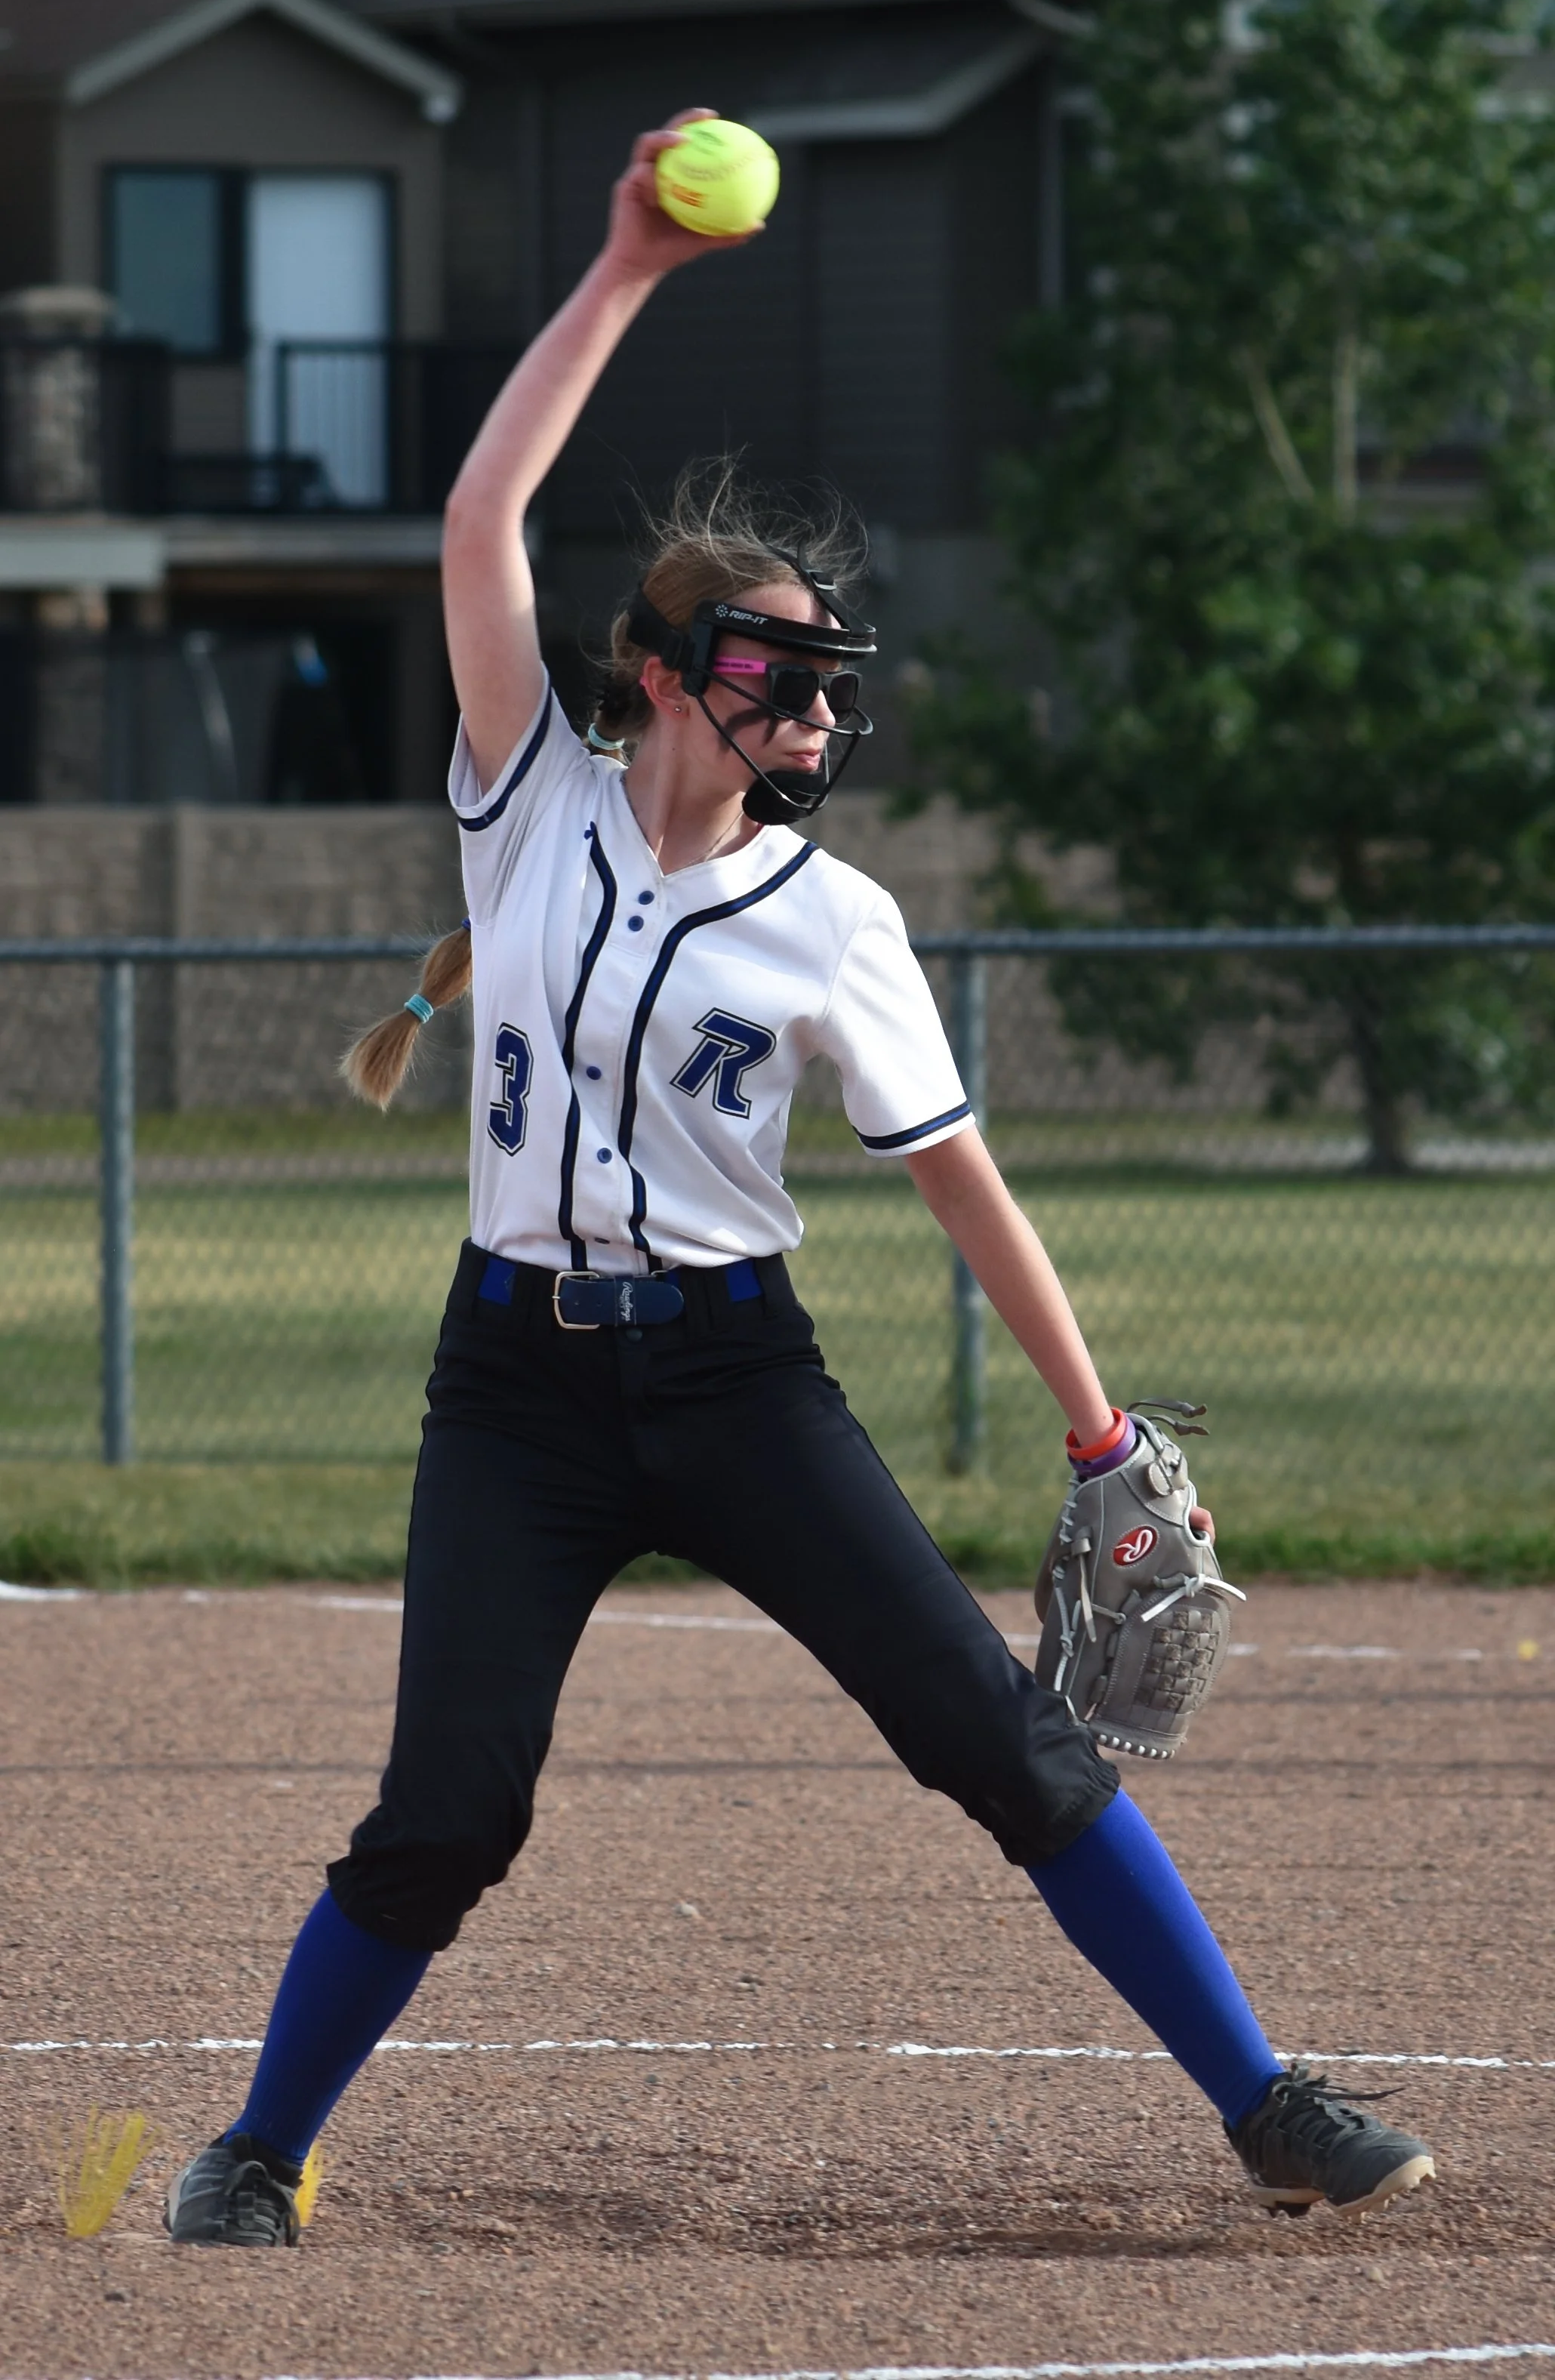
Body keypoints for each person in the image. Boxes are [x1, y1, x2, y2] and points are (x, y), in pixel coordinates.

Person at [165, 111, 1434, 2248]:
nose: (813, 707)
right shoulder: (527, 806)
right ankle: (259, 2147)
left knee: (998, 1735)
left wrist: (1097, 1420)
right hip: (516, 1393)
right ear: (660, 677)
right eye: (773, 670)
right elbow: (482, 510)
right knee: (445, 1814)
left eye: (827, 682)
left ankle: (1266, 2097)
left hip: (741, 1380)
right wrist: (626, 272)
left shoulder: (833, 920)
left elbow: (961, 1184)